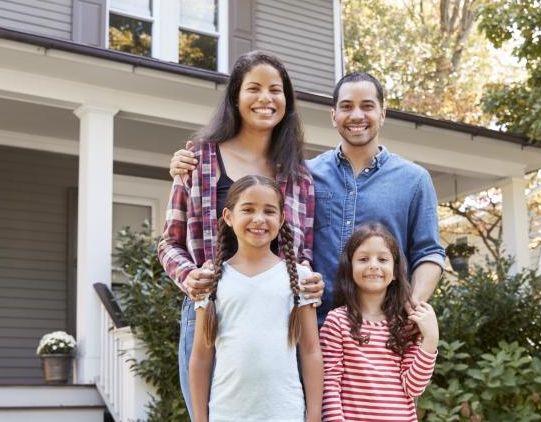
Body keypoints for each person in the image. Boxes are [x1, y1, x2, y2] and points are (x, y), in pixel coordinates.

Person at [169, 72, 447, 319]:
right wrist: (187, 165)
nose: (357, 116)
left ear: (383, 114)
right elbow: (255, 201)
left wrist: (411, 307)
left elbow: (429, 253)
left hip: (381, 328)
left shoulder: (414, 180)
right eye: (347, 107)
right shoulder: (302, 175)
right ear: (333, 116)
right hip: (312, 323)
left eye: (368, 107)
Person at [157, 50, 325, 414]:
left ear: (287, 101)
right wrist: (192, 278)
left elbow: (302, 251)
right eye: (254, 89)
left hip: (279, 318)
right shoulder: (198, 160)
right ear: (235, 96)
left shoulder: (299, 177)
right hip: (212, 310)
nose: (265, 99)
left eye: (275, 90)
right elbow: (169, 243)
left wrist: (310, 280)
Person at [190, 175, 323, 422]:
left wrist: (314, 415)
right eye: (248, 209)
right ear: (228, 217)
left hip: (286, 414)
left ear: (282, 219)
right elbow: (200, 355)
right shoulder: (211, 279)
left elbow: (311, 350)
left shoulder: (301, 278)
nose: (259, 219)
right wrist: (200, 418)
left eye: (269, 211)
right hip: (226, 414)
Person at [321, 224, 438, 422]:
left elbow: (414, 388)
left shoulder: (405, 325)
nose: (373, 265)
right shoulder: (337, 322)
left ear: (394, 271)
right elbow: (330, 386)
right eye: (364, 259)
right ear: (350, 269)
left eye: (383, 259)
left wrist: (431, 340)